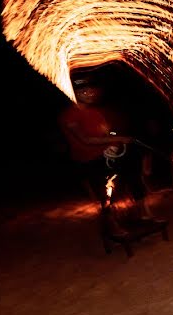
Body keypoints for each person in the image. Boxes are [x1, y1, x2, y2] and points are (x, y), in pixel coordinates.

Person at [58, 74, 161, 235]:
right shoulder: (69, 115)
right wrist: (119, 138)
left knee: (134, 176)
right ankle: (112, 226)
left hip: (106, 157)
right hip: (88, 160)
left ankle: (144, 213)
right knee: (104, 195)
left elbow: (107, 133)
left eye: (91, 90)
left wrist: (114, 144)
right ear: (74, 93)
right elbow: (86, 139)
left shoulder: (96, 112)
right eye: (83, 91)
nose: (89, 93)